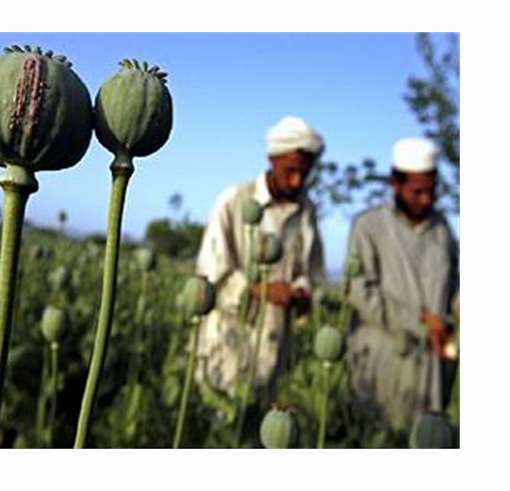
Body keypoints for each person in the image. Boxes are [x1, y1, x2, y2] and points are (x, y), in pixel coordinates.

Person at [194, 116, 327, 400]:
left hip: (276, 348)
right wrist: (262, 290)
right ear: (272, 159)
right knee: (224, 417)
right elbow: (210, 273)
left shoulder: (307, 211)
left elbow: (311, 271)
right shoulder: (234, 200)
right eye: (291, 170)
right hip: (228, 344)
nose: (297, 181)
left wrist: (302, 292)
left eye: (305, 173)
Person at [345, 137, 459, 432]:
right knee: (380, 437)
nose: (427, 200)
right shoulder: (368, 226)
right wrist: (420, 320)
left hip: (432, 361)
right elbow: (359, 292)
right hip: (381, 358)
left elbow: (455, 282)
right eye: (417, 191)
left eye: (432, 190)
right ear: (395, 184)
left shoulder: (442, 229)